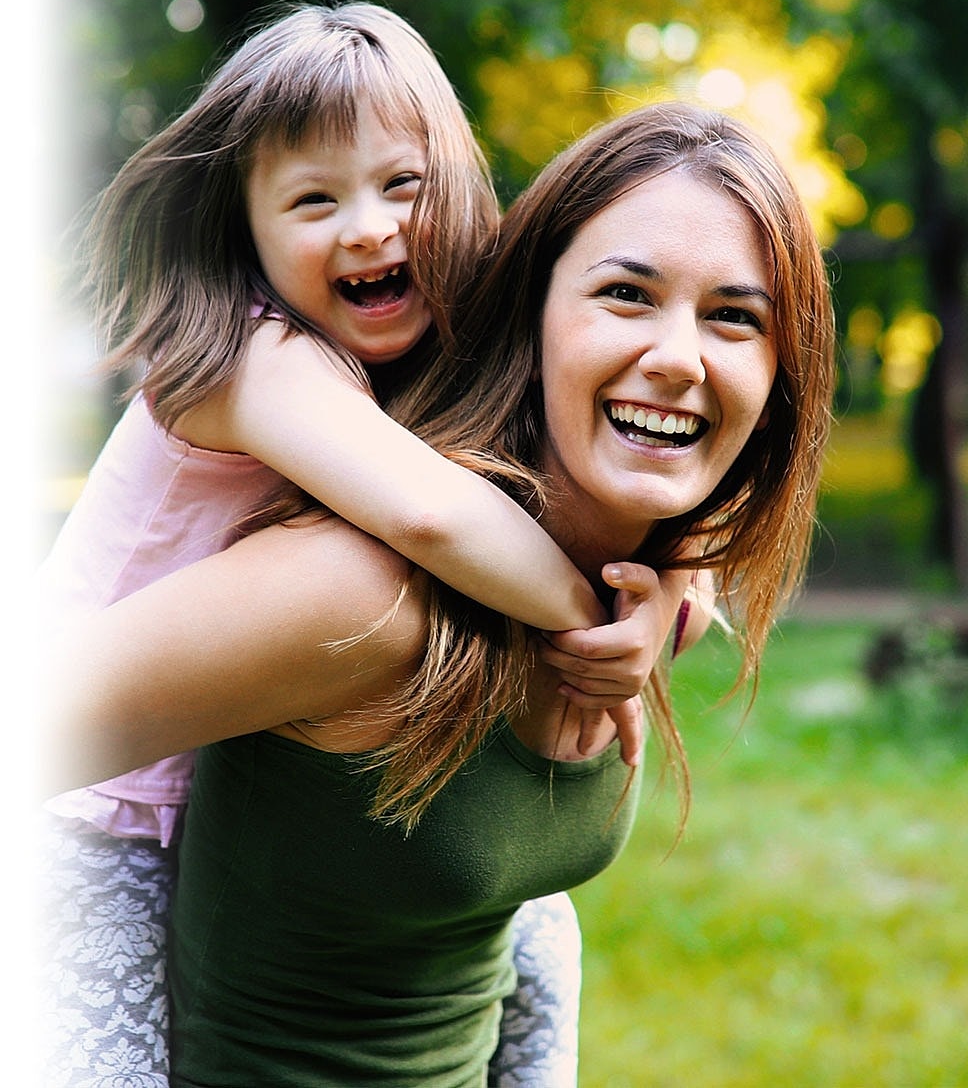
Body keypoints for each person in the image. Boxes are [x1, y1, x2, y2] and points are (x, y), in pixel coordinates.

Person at [51, 100, 836, 1086]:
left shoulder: (632, 598)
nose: (680, 358)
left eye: (734, 315)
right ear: (531, 309)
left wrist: (669, 589)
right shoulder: (364, 598)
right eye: (627, 294)